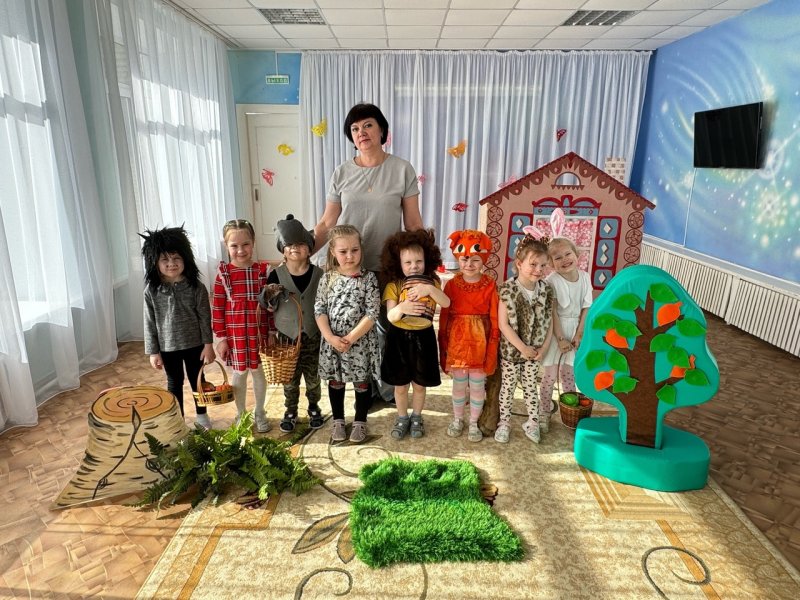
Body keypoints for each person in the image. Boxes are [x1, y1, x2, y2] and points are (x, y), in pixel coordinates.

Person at [313, 103, 423, 405]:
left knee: (387, 330)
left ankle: (388, 390)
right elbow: (327, 222)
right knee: (354, 330)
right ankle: (366, 393)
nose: (361, 132)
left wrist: (425, 264)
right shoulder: (341, 172)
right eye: (354, 128)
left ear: (382, 130)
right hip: (348, 268)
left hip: (388, 266)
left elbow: (413, 223)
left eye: (368, 125)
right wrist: (302, 249)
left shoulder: (402, 169)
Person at [141, 226, 215, 429]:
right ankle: (178, 421)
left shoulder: (196, 287)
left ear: (185, 259)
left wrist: (208, 345)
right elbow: (149, 322)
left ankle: (202, 416)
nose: (171, 264)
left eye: (176, 258)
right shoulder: (151, 291)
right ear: (155, 262)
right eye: (165, 260)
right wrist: (153, 352)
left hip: (195, 345)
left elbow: (204, 317)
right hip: (168, 348)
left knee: (198, 380)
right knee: (174, 384)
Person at [379, 229, 450, 439]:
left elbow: (446, 303)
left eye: (419, 261)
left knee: (420, 385)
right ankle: (402, 417)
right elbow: (391, 316)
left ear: (427, 260)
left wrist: (430, 290)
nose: (414, 266)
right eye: (408, 262)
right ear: (398, 263)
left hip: (424, 337)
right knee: (400, 386)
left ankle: (417, 416)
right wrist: (402, 308)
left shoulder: (432, 282)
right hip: (398, 338)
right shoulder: (394, 285)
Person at [314, 225, 381, 444]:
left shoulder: (368, 278)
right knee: (336, 381)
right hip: (333, 342)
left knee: (361, 381)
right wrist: (330, 338)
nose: (350, 256)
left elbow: (372, 313)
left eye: (354, 250)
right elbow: (320, 310)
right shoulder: (327, 278)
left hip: (360, 342)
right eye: (343, 251)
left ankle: (360, 421)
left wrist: (351, 338)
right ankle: (338, 420)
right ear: (333, 251)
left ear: (361, 248)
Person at [259, 214, 324, 433]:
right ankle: (290, 410)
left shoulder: (319, 274)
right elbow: (266, 304)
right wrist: (268, 297)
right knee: (289, 378)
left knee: (313, 377)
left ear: (309, 249)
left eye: (300, 244)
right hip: (286, 337)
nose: (295, 248)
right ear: (283, 250)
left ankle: (314, 407)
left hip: (313, 335)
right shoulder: (275, 275)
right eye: (289, 244)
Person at [438, 230, 500, 443]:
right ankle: (457, 419)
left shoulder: (490, 284)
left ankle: (473, 422)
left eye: (475, 259)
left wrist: (492, 346)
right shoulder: (451, 285)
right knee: (458, 385)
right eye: (464, 259)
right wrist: (443, 345)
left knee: (477, 386)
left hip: (480, 345)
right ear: (457, 258)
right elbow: (444, 318)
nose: (469, 264)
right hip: (457, 345)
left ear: (483, 260)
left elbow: (495, 318)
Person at [211, 219, 271, 432]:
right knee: (240, 374)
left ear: (253, 242)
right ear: (226, 246)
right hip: (235, 336)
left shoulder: (262, 272)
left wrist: (271, 331)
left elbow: (270, 306)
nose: (240, 250)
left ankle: (260, 412)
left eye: (245, 244)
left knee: (259, 372)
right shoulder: (223, 275)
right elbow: (217, 309)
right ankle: (241, 413)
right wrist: (221, 339)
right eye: (234, 245)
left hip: (258, 333)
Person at [495, 237, 554, 444]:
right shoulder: (507, 289)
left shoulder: (546, 290)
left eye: (543, 265)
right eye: (533, 264)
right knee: (508, 387)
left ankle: (533, 422)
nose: (539, 270)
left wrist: (543, 348)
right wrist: (522, 347)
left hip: (535, 351)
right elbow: (503, 324)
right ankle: (504, 422)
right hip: (512, 352)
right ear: (519, 264)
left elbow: (549, 321)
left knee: (530, 386)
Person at [539, 237, 593, 417]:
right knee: (550, 374)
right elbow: (552, 312)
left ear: (576, 254)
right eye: (558, 258)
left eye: (568, 254)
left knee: (569, 373)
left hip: (576, 327)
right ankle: (544, 410)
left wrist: (579, 334)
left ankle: (570, 411)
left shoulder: (585, 277)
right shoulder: (551, 281)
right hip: (556, 329)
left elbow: (586, 308)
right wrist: (561, 338)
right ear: (551, 263)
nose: (565, 260)